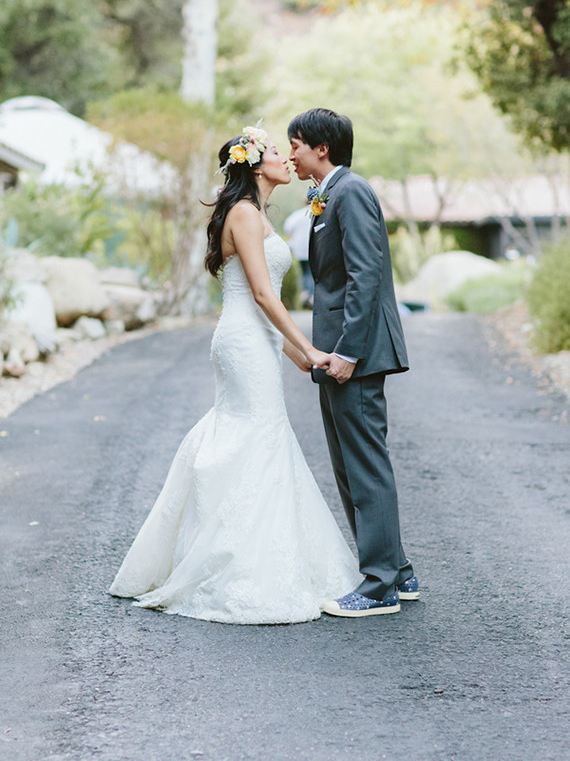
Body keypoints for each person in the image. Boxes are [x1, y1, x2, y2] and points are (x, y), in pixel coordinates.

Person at [108, 126, 361, 624]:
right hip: (242, 341)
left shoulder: (260, 215)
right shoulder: (244, 215)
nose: (287, 158)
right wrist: (311, 348)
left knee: (257, 434)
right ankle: (235, 563)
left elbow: (269, 305)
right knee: (256, 433)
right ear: (253, 164)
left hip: (257, 339)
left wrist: (302, 358)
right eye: (275, 152)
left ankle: (251, 547)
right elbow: (265, 298)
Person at [288, 108, 419, 617]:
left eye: (296, 143)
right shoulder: (329, 194)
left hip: (353, 353)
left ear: (322, 148)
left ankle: (379, 585)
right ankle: (398, 571)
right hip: (335, 350)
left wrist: (347, 351)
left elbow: (367, 274)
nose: (291, 153)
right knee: (349, 464)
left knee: (364, 465)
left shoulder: (352, 191)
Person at [284, 196, 314, 307]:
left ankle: (305, 292)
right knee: (312, 271)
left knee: (305, 271)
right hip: (312, 247)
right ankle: (311, 296)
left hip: (300, 248)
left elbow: (288, 227)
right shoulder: (316, 212)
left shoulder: (297, 214)